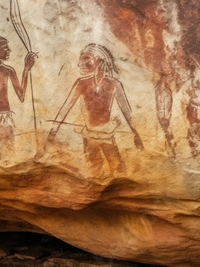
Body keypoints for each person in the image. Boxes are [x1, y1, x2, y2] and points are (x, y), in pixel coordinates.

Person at [47, 43, 143, 175]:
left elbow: (127, 113)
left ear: (100, 60)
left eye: (86, 59)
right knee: (94, 172)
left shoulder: (114, 84)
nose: (80, 64)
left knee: (118, 171)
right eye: (81, 59)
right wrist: (51, 134)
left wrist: (136, 135)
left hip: (107, 136)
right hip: (89, 137)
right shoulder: (81, 83)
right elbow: (65, 109)